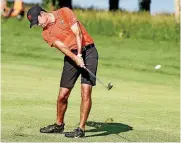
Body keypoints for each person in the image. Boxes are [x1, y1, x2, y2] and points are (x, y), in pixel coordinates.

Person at [27, 5, 98, 138]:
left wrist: (80, 55)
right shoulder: (45, 33)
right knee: (62, 95)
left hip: (88, 51)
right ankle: (59, 125)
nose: (37, 25)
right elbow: (63, 48)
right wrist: (75, 58)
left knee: (85, 90)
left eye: (37, 22)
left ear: (43, 14)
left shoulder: (64, 12)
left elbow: (78, 33)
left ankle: (81, 129)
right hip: (71, 56)